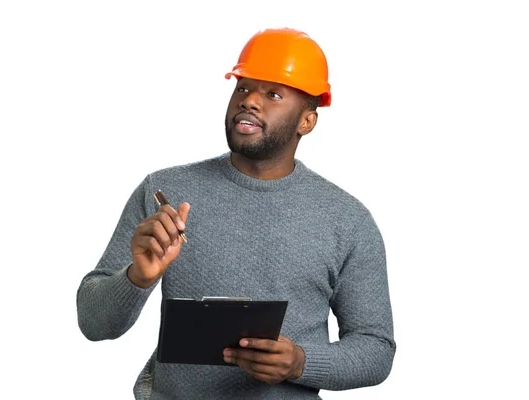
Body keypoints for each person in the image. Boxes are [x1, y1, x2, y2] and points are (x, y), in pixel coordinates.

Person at [77, 27, 396, 400]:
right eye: (243, 88)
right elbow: (93, 322)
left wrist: (301, 363)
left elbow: (376, 349)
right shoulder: (164, 194)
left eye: (273, 94)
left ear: (306, 122)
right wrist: (137, 278)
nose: (250, 102)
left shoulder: (347, 220)